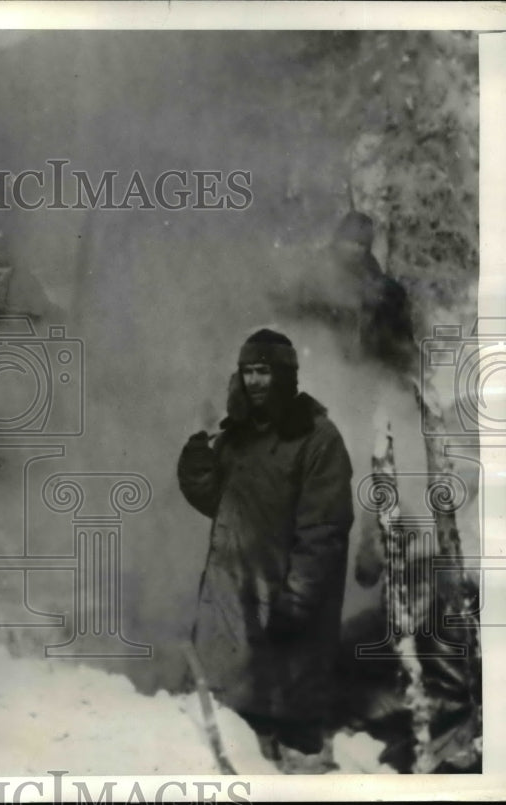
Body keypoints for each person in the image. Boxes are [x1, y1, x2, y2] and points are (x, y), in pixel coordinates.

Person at [177, 328, 354, 773]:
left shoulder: (318, 437)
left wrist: (297, 599)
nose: (255, 381)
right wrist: (198, 460)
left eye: (265, 371)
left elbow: (324, 531)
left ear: (286, 375)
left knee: (291, 715)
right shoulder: (239, 435)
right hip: (235, 591)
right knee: (239, 716)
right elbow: (223, 505)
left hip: (285, 592)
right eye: (249, 371)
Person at [330, 211, 415, 372]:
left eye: (362, 244)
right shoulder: (318, 274)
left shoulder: (383, 284)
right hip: (328, 361)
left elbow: (402, 336)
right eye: (350, 241)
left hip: (374, 366)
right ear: (338, 240)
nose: (355, 249)